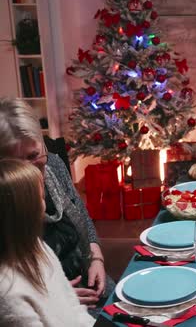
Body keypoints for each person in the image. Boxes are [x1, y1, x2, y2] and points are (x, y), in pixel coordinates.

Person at [0, 97, 114, 317]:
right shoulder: (7, 199)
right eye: (16, 162)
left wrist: (97, 259)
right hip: (48, 303)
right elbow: (11, 285)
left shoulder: (54, 164)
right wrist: (55, 294)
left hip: (88, 277)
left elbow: (82, 216)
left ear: (42, 142)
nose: (30, 170)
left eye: (33, 155)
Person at [0, 159, 95, 326]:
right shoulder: (7, 292)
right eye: (41, 198)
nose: (45, 205)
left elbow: (72, 303)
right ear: (27, 212)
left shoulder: (38, 247)